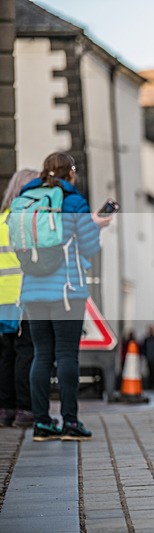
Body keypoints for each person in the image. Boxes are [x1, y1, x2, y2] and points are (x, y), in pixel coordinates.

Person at [23, 153, 111, 441]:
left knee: (41, 355)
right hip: (66, 291)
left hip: (33, 291)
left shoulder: (28, 198)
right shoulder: (73, 202)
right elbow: (89, 248)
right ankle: (70, 422)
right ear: (70, 173)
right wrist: (96, 226)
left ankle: (42, 423)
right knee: (66, 355)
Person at [0, 169, 39, 428]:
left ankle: (5, 409)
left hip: (2, 299)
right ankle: (25, 408)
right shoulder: (25, 223)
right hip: (22, 296)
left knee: (6, 355)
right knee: (26, 352)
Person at [141, 325, 154, 389]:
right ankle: (150, 385)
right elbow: (143, 349)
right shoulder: (146, 340)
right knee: (149, 371)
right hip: (148, 358)